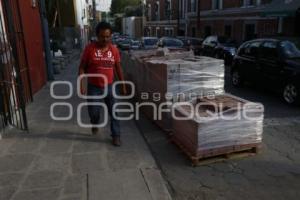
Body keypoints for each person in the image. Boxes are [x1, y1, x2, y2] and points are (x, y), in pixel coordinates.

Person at [78, 21, 127, 146]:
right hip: (94, 87)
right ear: (97, 36)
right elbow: (82, 67)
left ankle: (116, 135)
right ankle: (95, 123)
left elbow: (118, 67)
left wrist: (123, 84)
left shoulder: (114, 50)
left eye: (107, 36)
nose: (105, 39)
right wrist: (81, 84)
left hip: (109, 86)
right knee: (94, 112)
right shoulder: (90, 49)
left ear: (110, 36)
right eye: (102, 36)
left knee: (114, 112)